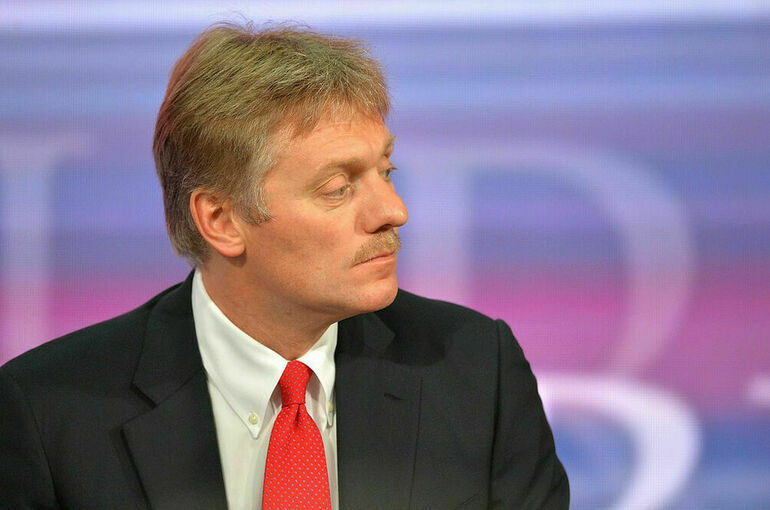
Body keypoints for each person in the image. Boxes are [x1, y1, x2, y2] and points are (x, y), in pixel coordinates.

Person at [0, 22, 568, 509]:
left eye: (385, 171)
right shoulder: (47, 412)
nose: (393, 211)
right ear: (221, 219)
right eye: (338, 188)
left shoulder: (476, 371)